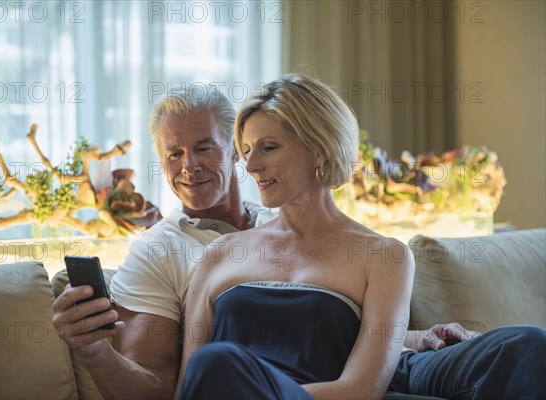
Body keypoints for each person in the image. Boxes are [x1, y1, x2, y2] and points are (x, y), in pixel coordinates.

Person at [52, 81, 545, 399]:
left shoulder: (384, 253)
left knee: (528, 343)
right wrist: (95, 351)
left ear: (320, 148)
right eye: (248, 151)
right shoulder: (216, 256)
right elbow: (185, 386)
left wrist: (407, 338)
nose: (251, 164)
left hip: (341, 387)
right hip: (232, 385)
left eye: (267, 148)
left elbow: (360, 380)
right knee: (219, 364)